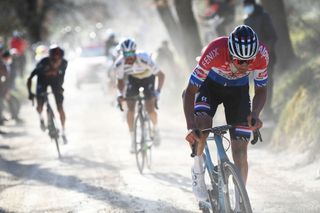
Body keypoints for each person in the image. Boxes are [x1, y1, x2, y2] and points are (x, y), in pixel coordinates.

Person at [183, 25, 269, 202]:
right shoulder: (215, 51)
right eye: (240, 61)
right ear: (230, 54)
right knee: (203, 126)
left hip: (238, 92)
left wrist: (255, 113)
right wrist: (191, 126)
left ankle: (240, 200)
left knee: (241, 152)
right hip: (209, 86)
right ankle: (198, 170)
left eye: (249, 61)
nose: (245, 66)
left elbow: (261, 90)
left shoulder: (261, 56)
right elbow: (190, 91)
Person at [115, 38, 165, 153]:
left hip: (149, 78)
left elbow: (161, 75)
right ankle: (133, 139)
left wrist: (157, 92)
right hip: (134, 79)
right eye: (126, 54)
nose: (129, 57)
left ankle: (155, 129)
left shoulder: (144, 58)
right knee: (130, 108)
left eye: (131, 53)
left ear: (134, 51)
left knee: (150, 108)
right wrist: (120, 94)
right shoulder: (119, 63)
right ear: (122, 54)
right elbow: (120, 81)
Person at [243, 0, 277, 119]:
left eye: (248, 5)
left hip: (267, 58)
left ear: (253, 5)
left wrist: (264, 51)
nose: (246, 8)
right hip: (251, 60)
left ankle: (268, 110)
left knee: (267, 83)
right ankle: (257, 110)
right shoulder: (246, 20)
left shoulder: (264, 16)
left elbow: (273, 37)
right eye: (245, 6)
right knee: (254, 85)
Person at [27, 45, 68, 143]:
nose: (57, 63)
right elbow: (30, 78)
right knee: (40, 105)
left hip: (55, 83)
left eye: (59, 60)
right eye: (54, 60)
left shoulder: (64, 63)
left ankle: (63, 131)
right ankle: (41, 118)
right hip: (42, 83)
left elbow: (62, 77)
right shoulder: (42, 64)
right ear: (50, 58)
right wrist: (30, 93)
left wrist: (60, 88)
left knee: (60, 108)